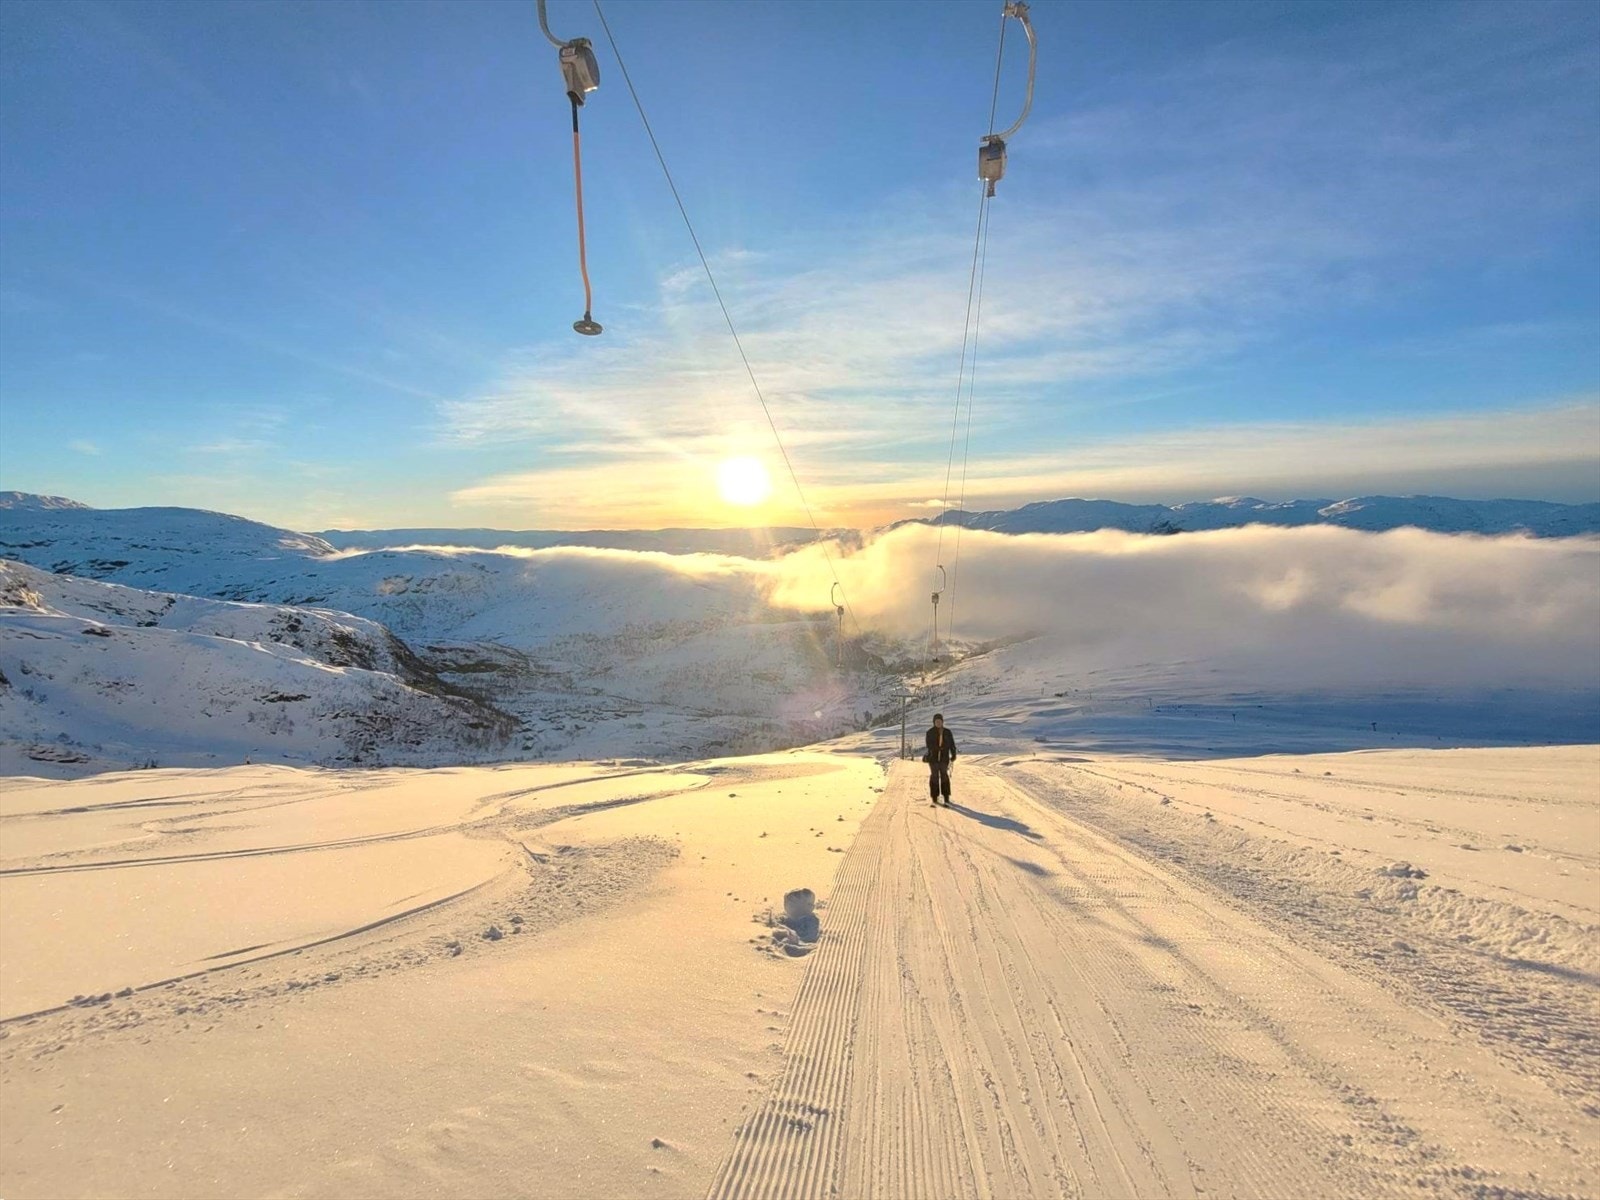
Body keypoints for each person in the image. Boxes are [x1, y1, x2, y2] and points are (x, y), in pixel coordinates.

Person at [923, 712, 957, 806]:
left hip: (944, 758)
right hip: (933, 758)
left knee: (944, 776)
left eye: (940, 721)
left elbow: (952, 744)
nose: (938, 723)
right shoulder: (929, 732)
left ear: (942, 722)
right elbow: (928, 745)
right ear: (934, 722)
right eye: (936, 721)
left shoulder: (947, 732)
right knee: (934, 777)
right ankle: (934, 797)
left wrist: (953, 754)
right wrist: (936, 748)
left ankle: (946, 797)